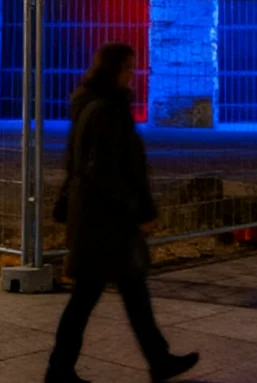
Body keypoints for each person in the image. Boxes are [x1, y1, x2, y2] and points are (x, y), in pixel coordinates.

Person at [46, 43, 198, 383]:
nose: (134, 74)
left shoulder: (91, 104)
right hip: (106, 222)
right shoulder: (106, 110)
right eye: (129, 67)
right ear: (114, 69)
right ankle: (59, 370)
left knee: (131, 294)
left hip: (99, 218)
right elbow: (103, 169)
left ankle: (159, 360)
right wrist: (135, 209)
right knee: (89, 297)